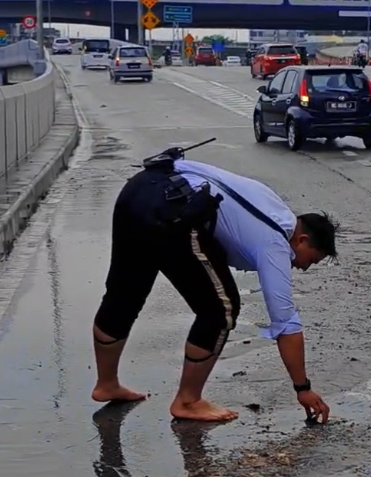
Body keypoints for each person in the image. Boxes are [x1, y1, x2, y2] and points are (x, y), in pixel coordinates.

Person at [91, 152, 340, 425]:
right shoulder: (276, 245)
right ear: (302, 239)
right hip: (175, 211)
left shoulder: (271, 202)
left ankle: (107, 383)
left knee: (124, 293)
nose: (303, 267)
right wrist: (303, 389)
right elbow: (286, 324)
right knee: (222, 309)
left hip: (140, 188)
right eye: (311, 260)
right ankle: (188, 401)